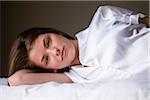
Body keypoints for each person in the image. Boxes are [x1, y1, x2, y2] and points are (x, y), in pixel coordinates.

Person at [8, 5, 149, 86]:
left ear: (54, 32)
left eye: (48, 42)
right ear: (49, 69)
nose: (54, 51)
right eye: (46, 59)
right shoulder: (76, 77)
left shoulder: (103, 17)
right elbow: (16, 79)